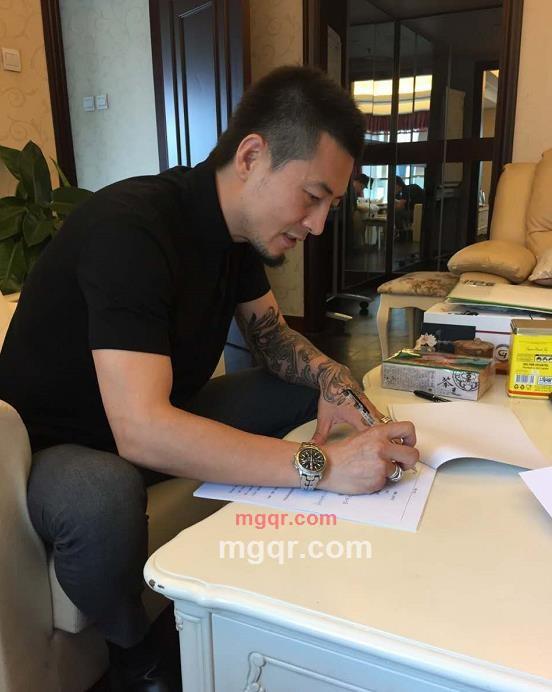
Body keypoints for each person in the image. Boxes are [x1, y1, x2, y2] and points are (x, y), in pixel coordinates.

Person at [0, 65, 418, 691]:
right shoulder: (132, 228)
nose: (317, 224)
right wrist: (325, 466)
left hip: (163, 413)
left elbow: (271, 339)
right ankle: (135, 653)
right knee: (103, 495)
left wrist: (335, 382)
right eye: (312, 196)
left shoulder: (237, 235)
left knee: (299, 385)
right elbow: (142, 430)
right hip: (58, 449)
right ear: (251, 156)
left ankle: (290, 548)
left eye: (330, 204)